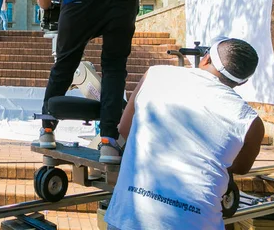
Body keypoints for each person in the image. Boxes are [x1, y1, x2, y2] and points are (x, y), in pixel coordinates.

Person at [105, 37, 264, 230]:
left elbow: (124, 130)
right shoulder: (251, 122)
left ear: (206, 59)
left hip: (129, 217)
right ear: (243, 81)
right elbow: (239, 167)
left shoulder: (155, 75)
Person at [32, 0, 140, 164]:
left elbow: (44, 5)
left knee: (65, 64)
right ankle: (109, 142)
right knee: (114, 66)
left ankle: (47, 130)